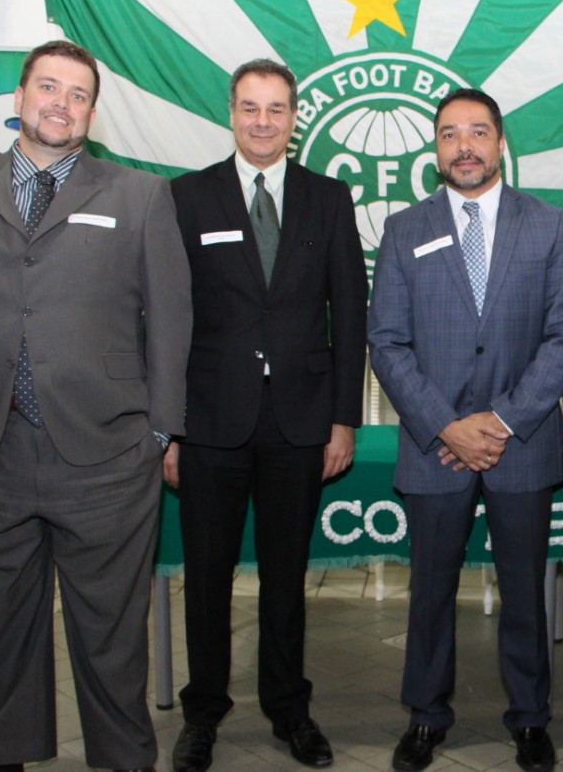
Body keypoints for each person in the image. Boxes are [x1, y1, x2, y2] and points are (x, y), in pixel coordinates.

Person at [0, 40, 192, 772]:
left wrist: (159, 431)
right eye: (47, 87)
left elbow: (172, 321)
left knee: (111, 635)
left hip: (106, 457)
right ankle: (3, 750)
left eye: (77, 94)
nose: (60, 104)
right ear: (19, 97)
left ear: (92, 113)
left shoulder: (139, 195)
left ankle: (123, 757)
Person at [367, 88, 563, 772]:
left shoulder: (548, 225)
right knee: (430, 591)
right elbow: (387, 342)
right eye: (449, 134)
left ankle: (530, 719)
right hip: (436, 447)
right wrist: (447, 426)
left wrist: (501, 421)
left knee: (524, 591)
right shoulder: (403, 229)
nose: (464, 146)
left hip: (521, 442)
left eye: (478, 132)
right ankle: (426, 716)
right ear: (435, 149)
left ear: (500, 143)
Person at [165, 58, 368, 772]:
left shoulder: (327, 197)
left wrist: (344, 419)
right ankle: (203, 714)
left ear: (294, 118)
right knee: (207, 579)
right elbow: (167, 316)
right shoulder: (187, 197)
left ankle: (290, 710)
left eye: (276, 109)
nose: (262, 122)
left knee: (287, 579)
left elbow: (350, 310)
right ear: (230, 113)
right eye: (250, 108)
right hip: (208, 422)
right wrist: (168, 427)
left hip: (300, 422)